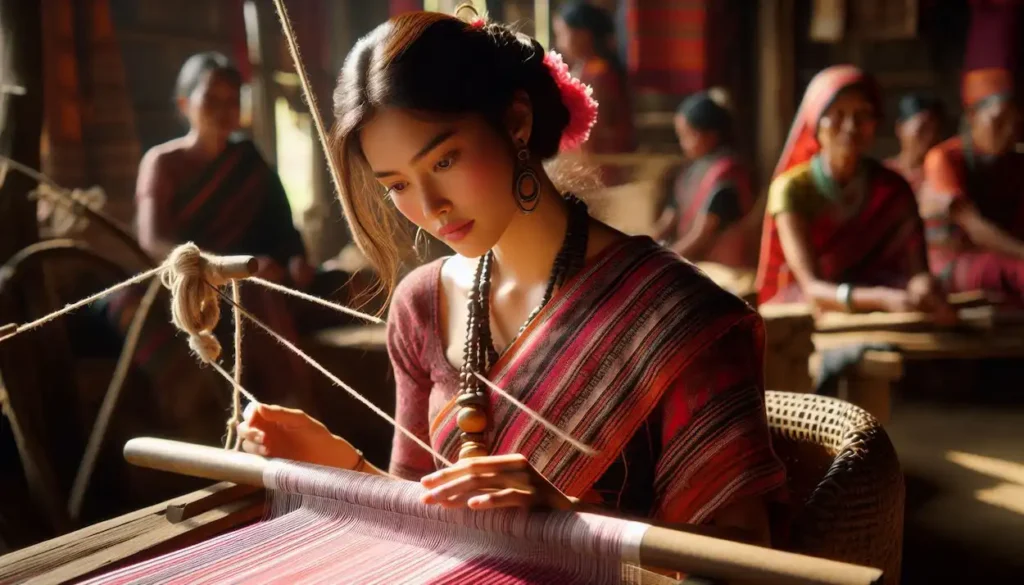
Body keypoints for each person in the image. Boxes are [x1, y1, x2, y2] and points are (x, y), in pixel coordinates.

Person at [239, 11, 787, 548]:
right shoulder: (422, 305)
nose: (430, 207)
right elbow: (419, 515)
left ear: (516, 121)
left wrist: (564, 515)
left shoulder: (678, 316)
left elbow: (746, 555)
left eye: (445, 160)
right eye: (397, 185)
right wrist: (338, 462)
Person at [105, 52, 323, 413]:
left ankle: (297, 408)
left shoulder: (248, 161)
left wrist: (296, 258)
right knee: (248, 297)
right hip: (194, 281)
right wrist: (218, 267)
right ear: (184, 103)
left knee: (351, 284)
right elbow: (154, 241)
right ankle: (281, 407)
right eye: (211, 99)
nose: (224, 110)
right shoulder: (162, 162)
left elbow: (282, 226)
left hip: (255, 276)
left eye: (232, 100)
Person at [755, 65, 954, 323]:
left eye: (862, 115)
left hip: (891, 304)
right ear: (816, 124)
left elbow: (917, 272)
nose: (850, 127)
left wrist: (923, 286)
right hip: (812, 308)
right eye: (837, 115)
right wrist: (880, 299)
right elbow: (813, 289)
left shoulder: (893, 187)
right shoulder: (791, 189)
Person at [918, 67, 1024, 304]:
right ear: (973, 117)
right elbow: (973, 227)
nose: (1009, 132)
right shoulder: (943, 158)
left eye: (1014, 124)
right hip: (953, 262)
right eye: (999, 122)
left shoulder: (1015, 163)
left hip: (1006, 255)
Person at [655, 91, 756, 269]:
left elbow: (702, 236)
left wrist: (663, 263)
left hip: (723, 270)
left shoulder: (727, 173)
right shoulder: (689, 172)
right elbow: (668, 221)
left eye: (688, 135)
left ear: (711, 135)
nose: (682, 144)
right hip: (695, 264)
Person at [553, 2, 635, 183]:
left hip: (598, 168)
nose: (559, 42)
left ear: (583, 35)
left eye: (562, 33)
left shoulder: (599, 73)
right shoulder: (586, 70)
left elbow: (591, 132)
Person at [885, 93, 945, 193]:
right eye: (923, 129)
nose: (931, 137)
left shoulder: (942, 174)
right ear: (900, 128)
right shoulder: (884, 175)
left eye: (935, 130)